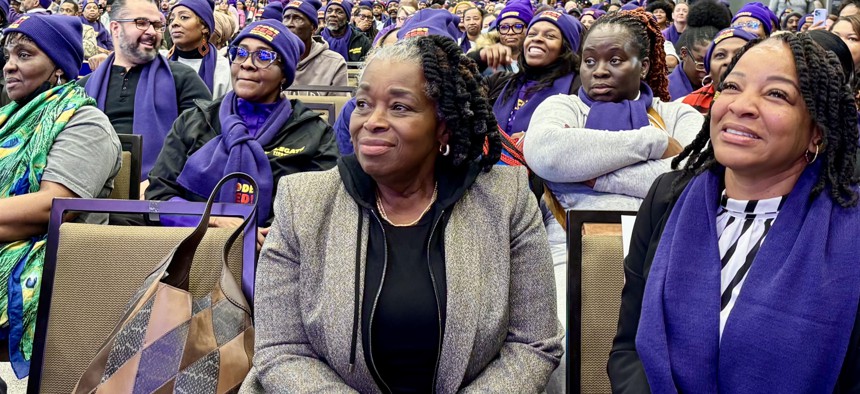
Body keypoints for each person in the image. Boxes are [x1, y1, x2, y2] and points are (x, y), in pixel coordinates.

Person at [241, 32, 563, 393]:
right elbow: (281, 350)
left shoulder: (505, 200)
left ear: (442, 127)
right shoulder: (303, 203)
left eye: (399, 107)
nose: (372, 121)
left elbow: (533, 344)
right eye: (363, 104)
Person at [608, 32, 860, 392]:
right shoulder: (666, 197)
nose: (742, 105)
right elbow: (629, 347)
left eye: (776, 94)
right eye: (731, 86)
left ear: (816, 130)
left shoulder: (849, 230)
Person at [523, 9, 703, 329]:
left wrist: (591, 176)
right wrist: (655, 142)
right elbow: (546, 155)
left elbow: (691, 175)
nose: (600, 71)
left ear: (643, 66)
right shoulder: (561, 107)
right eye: (590, 61)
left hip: (662, 255)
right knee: (564, 348)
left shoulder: (679, 115)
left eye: (615, 60)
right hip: (567, 250)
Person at [0, 14, 120, 378]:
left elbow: (51, 209)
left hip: (53, 265)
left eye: (25, 55)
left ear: (58, 69)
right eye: (8, 55)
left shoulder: (85, 123)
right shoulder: (9, 118)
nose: (9, 65)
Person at [147, 20, 338, 238]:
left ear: (284, 74)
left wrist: (268, 237)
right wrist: (211, 221)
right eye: (240, 53)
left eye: (264, 56)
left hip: (276, 258)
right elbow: (158, 197)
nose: (247, 63)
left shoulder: (314, 133)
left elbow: (321, 207)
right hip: (193, 247)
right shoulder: (195, 121)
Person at [80, 0, 211, 182]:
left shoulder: (182, 78)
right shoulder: (84, 88)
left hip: (160, 195)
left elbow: (204, 145)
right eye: (141, 23)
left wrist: (157, 183)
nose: (151, 32)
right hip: (86, 194)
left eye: (157, 25)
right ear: (115, 28)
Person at [489, 10, 582, 144]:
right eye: (532, 34)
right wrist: (478, 57)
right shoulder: (501, 82)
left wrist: (535, 140)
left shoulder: (578, 90)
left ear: (565, 47)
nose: (537, 38)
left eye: (550, 36)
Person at [682, 27, 756, 114]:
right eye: (720, 55)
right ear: (709, 69)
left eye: (740, 53)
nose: (729, 61)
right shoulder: (689, 104)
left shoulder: (768, 101)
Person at [167, 0, 232, 98]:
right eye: (171, 19)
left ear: (204, 26)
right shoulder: (161, 62)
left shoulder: (223, 69)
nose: (174, 23)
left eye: (184, 17)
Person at [284, 0, 349, 94]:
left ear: (313, 28)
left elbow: (338, 105)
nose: (289, 24)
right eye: (286, 18)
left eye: (297, 18)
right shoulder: (274, 59)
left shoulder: (334, 63)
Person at [668, 25, 717, 100]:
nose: (707, 71)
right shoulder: (665, 91)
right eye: (702, 64)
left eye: (713, 62)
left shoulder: (721, 88)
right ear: (684, 53)